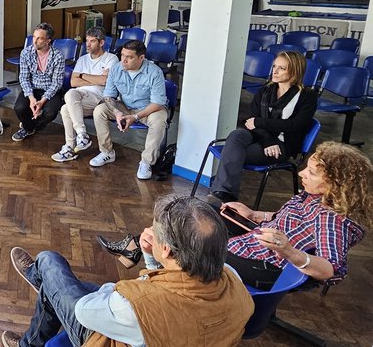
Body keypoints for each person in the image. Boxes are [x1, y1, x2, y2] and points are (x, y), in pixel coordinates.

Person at [0, 195, 253, 347]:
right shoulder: (233, 281)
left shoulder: (136, 306)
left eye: (156, 230)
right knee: (58, 289)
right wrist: (149, 256)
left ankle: (37, 302)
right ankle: (39, 316)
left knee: (48, 261)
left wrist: (115, 288)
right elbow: (171, 290)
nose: (151, 231)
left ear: (166, 249)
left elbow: (85, 311)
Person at [98, 142, 372, 290]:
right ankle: (142, 252)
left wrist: (289, 251)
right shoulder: (313, 196)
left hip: (266, 266)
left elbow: (332, 270)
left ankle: (147, 267)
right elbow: (288, 218)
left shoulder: (332, 218)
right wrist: (255, 213)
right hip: (254, 242)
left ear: (337, 185)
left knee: (186, 241)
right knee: (201, 209)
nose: (301, 174)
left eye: (311, 173)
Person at [209, 50, 317, 202]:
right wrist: (267, 140)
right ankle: (224, 194)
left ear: (294, 71)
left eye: (282, 68)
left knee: (234, 153)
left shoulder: (307, 96)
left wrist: (260, 122)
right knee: (235, 135)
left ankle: (222, 193)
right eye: (274, 66)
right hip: (261, 137)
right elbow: (249, 120)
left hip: (281, 145)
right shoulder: (265, 90)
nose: (275, 71)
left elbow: (295, 125)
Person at [90, 39, 168, 180]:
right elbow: (108, 96)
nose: (123, 60)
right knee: (99, 110)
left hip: (148, 109)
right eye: (122, 55)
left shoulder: (154, 72)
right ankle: (107, 152)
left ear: (141, 58)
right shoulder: (116, 68)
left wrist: (135, 117)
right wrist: (117, 112)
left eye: (129, 57)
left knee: (159, 120)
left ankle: (146, 162)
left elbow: (158, 103)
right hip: (124, 106)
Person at [52, 27, 116, 162]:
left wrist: (83, 75)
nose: (87, 44)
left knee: (69, 96)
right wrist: (95, 79)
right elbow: (74, 82)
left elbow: (104, 81)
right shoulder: (82, 59)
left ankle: (78, 138)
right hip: (81, 96)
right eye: (87, 41)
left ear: (102, 43)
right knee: (65, 107)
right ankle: (74, 142)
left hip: (100, 98)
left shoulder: (111, 59)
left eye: (92, 41)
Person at [12, 23, 66, 142]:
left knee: (51, 113)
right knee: (18, 108)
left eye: (39, 38)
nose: (34, 41)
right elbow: (24, 78)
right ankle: (30, 126)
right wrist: (31, 98)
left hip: (50, 90)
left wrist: (42, 101)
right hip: (32, 88)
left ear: (48, 41)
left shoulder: (58, 56)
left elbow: (56, 83)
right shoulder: (26, 53)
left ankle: (28, 126)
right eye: (34, 37)